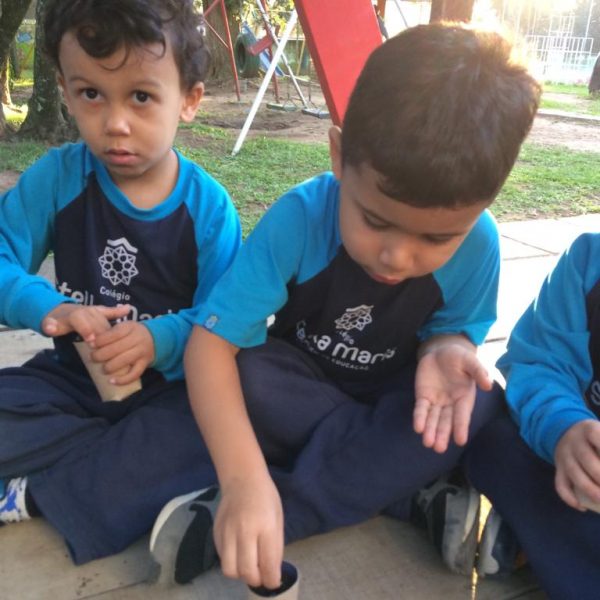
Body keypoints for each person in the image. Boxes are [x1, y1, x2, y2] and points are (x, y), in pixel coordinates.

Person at [149, 23, 541, 590]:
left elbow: (455, 329)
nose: (397, 256)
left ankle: (279, 514)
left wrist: (446, 349)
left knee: (477, 403)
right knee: (247, 374)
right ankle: (404, 493)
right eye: (375, 220)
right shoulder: (300, 218)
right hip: (302, 389)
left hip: (394, 397)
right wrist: (242, 480)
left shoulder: (480, 243)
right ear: (338, 155)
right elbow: (211, 344)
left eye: (437, 238)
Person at [0, 0, 241, 566]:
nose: (115, 124)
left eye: (141, 96)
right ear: (64, 89)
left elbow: (227, 322)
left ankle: (36, 493)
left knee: (212, 441)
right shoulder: (59, 178)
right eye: (91, 93)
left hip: (171, 394)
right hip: (72, 381)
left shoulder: (209, 210)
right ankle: (97, 464)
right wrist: (51, 308)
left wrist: (160, 340)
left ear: (189, 99)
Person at [462, 232, 600, 598]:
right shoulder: (590, 260)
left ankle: (540, 538)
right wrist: (565, 428)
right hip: (570, 468)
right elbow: (540, 363)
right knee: (487, 431)